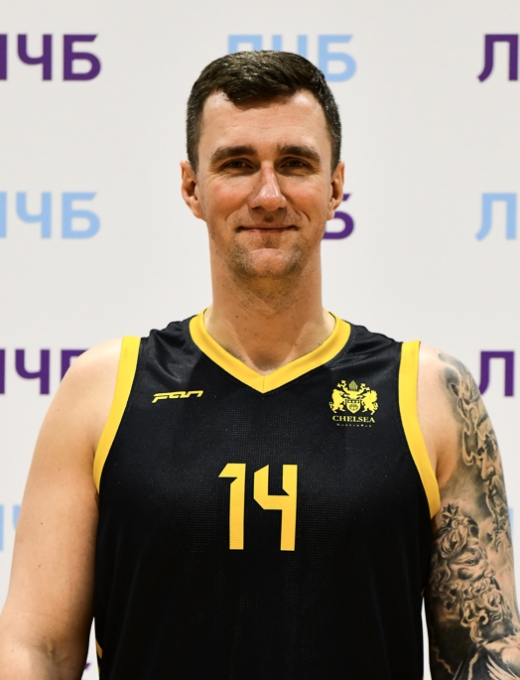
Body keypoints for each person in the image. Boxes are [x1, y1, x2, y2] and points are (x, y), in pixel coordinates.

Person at [0, 50, 518, 680]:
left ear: (335, 187)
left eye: (295, 164)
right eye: (237, 164)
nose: (268, 195)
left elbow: (483, 657)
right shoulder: (101, 390)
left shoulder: (430, 394)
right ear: (192, 187)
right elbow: (38, 648)